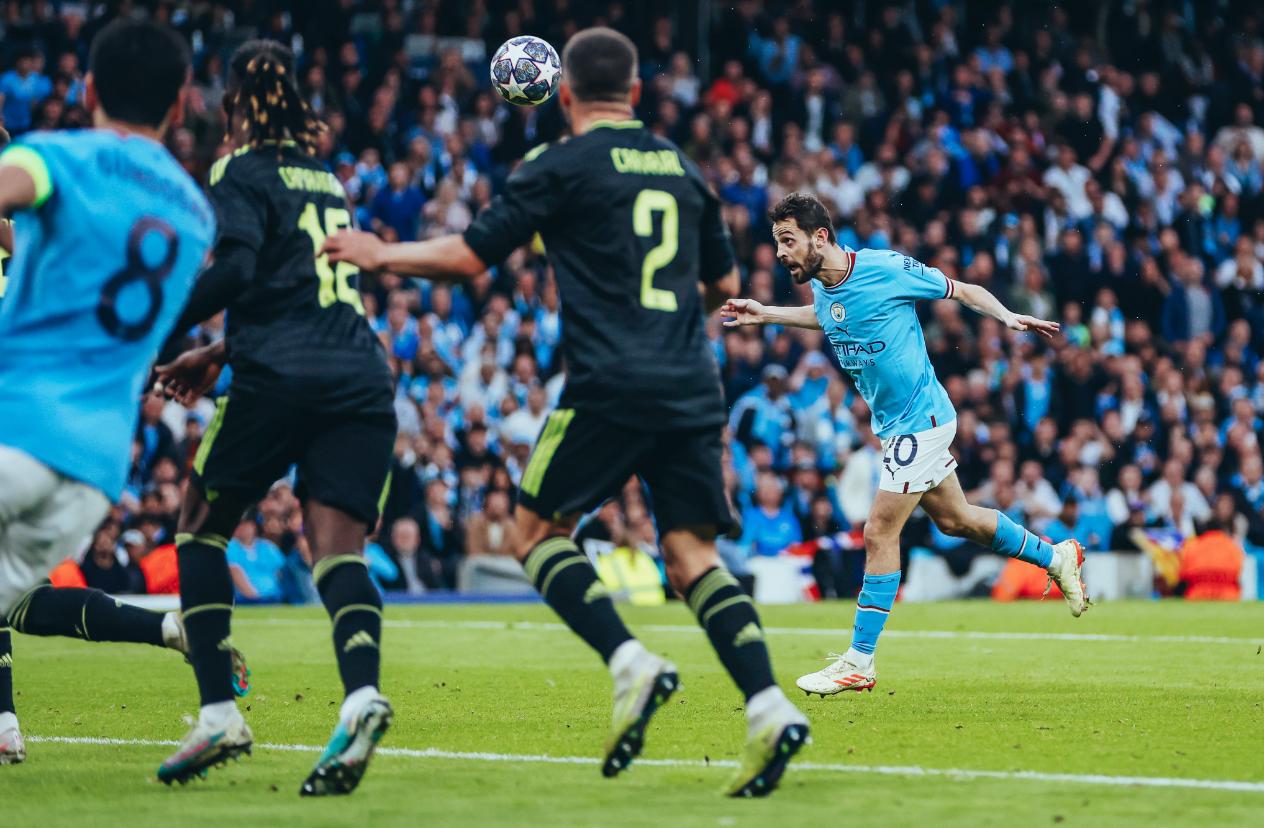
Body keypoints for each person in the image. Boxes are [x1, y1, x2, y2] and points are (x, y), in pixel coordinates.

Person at [323, 27, 808, 798]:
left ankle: (630, 661)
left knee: (534, 532)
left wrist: (381, 253)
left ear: (566, 96)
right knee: (690, 557)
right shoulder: (684, 170)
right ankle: (768, 704)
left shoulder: (557, 165)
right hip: (690, 383)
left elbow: (470, 257)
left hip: (610, 383)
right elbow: (720, 288)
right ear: (639, 94)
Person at [721, 191, 1087, 697]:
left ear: (819, 237)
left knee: (878, 531)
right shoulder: (825, 286)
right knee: (957, 520)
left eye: (787, 241)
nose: (780, 253)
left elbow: (962, 289)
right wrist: (767, 313)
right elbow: (828, 317)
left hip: (923, 421)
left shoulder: (886, 268)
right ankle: (1057, 557)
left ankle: (859, 660)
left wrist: (1008, 318)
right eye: (777, 242)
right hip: (896, 426)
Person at [152, 40, 396, 794]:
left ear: (232, 107)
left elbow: (237, 269)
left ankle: (220, 710)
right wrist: (216, 353)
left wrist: (160, 334)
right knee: (337, 553)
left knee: (200, 523)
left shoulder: (238, 168)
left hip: (278, 380)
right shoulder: (324, 176)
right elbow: (304, 295)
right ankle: (360, 695)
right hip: (360, 375)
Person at [0, 20, 227, 766]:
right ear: (181, 100)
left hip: (16, 431)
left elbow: (15, 191)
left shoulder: (57, 155)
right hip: (92, 475)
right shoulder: (194, 212)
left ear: (88, 90)